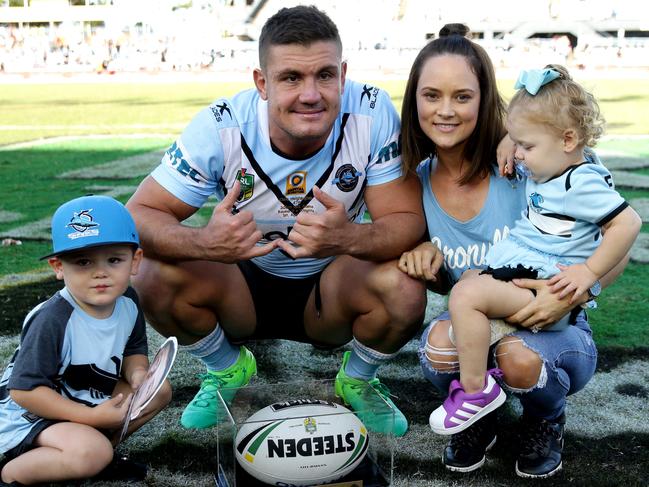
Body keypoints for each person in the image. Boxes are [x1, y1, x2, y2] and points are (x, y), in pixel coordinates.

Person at [125, 5, 426, 438]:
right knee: (150, 273)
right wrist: (205, 244)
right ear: (261, 83)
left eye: (324, 75)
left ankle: (357, 378)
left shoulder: (371, 111)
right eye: (291, 78)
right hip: (241, 283)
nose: (310, 94)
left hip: (331, 289)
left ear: (342, 75)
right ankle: (228, 369)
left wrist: (348, 236)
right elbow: (138, 215)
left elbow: (405, 220)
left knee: (405, 285)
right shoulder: (222, 125)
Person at [398, 24, 631, 478]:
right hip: (489, 311)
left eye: (463, 97)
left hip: (552, 322)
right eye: (431, 96)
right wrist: (419, 248)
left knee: (518, 356)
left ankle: (545, 419)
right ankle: (478, 415)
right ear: (414, 101)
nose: (446, 110)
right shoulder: (415, 179)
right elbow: (399, 241)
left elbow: (613, 234)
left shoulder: (528, 162)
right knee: (438, 347)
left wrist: (573, 291)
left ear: (487, 102)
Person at [425, 64, 641, 436]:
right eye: (517, 143)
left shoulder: (580, 182)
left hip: (547, 285)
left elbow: (628, 222)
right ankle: (484, 393)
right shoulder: (556, 163)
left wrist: (588, 273)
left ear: (568, 141)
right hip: (525, 266)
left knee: (465, 295)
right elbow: (541, 134)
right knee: (467, 293)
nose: (519, 155)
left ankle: (477, 393)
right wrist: (514, 138)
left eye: (526, 146)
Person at [0, 195, 172, 485]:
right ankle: (11, 473)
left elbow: (133, 348)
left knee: (159, 391)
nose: (100, 272)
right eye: (82, 262)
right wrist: (90, 418)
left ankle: (96, 457)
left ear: (135, 261)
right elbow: (24, 391)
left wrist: (138, 372)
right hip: (32, 413)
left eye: (114, 259)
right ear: (58, 267)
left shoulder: (127, 299)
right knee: (91, 452)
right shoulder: (53, 319)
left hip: (82, 395)